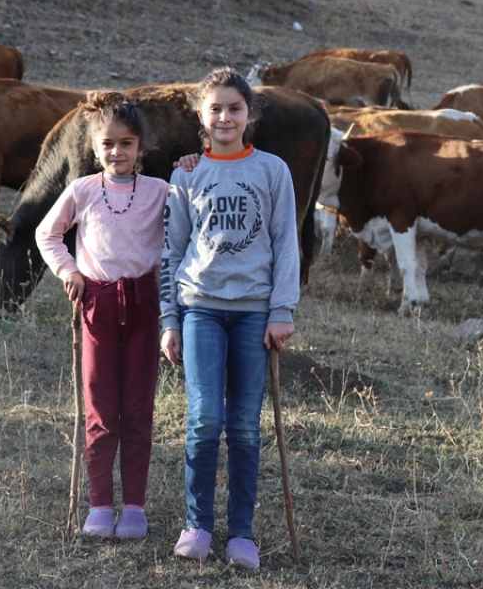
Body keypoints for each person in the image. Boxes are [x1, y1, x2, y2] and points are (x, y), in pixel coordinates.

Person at [159, 67, 300, 570]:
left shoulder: (271, 170)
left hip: (253, 312)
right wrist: (169, 320)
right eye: (215, 108)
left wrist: (281, 309)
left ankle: (241, 533)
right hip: (199, 308)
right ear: (200, 113)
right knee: (203, 421)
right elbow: (170, 252)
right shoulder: (186, 174)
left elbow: (286, 243)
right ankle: (197, 525)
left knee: (243, 424)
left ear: (250, 114)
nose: (224, 116)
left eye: (234, 108)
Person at [36, 92, 169, 540]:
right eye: (108, 144)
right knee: (100, 408)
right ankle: (98, 505)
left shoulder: (160, 192)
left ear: (141, 148)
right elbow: (47, 233)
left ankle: (133, 507)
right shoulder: (83, 191)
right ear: (95, 148)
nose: (117, 152)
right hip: (97, 303)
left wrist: (192, 165)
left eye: (127, 143)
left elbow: (184, 225)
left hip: (145, 303)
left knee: (136, 407)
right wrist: (68, 270)